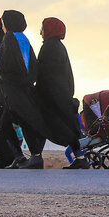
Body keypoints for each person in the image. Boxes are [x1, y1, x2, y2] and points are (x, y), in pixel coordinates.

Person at [0, 9, 48, 169]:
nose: (2, 27)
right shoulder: (24, 38)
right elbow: (31, 65)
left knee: (20, 121)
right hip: (22, 88)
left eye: (3, 23)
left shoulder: (10, 38)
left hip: (13, 89)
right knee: (6, 122)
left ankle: (35, 157)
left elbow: (12, 64)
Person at [35, 17, 87, 169]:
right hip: (60, 94)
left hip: (53, 96)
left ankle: (35, 157)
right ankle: (79, 157)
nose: (40, 32)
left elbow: (44, 73)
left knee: (54, 125)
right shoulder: (58, 46)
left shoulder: (49, 47)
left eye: (43, 29)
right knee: (58, 125)